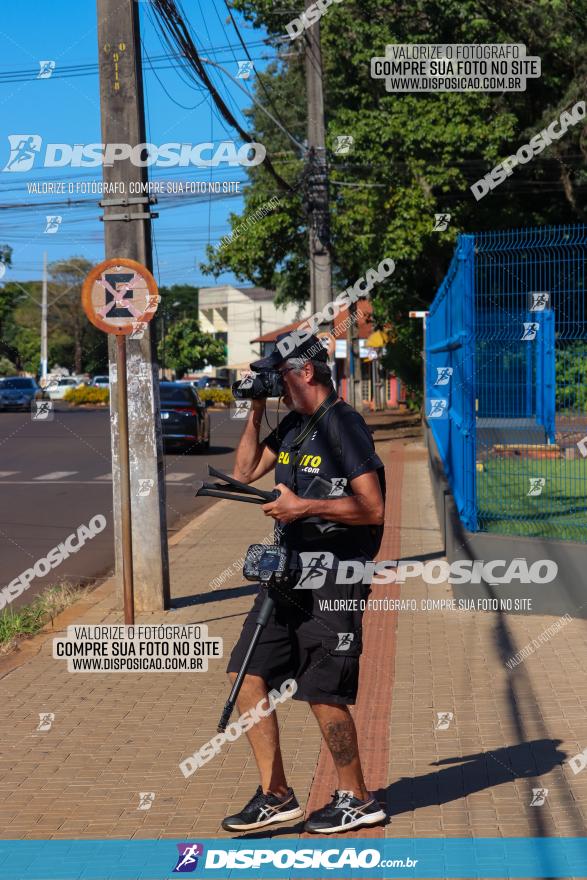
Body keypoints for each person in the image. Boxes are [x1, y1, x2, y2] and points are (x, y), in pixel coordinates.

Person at [222, 332, 387, 834]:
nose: (275, 381)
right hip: (287, 572)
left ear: (307, 372)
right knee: (246, 675)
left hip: (335, 576)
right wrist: (255, 412)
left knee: (322, 692)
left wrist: (303, 506)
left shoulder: (344, 424)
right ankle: (276, 795)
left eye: (280, 372)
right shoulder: (294, 424)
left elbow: (373, 506)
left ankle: (357, 797)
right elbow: (246, 470)